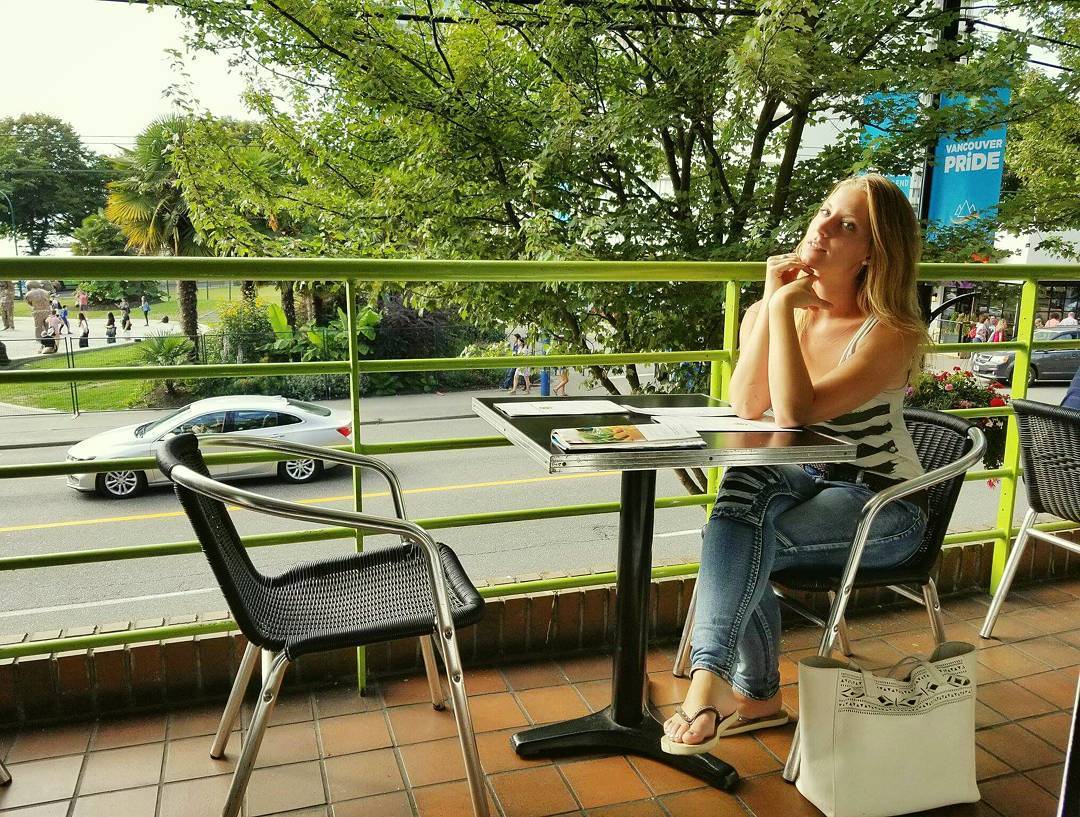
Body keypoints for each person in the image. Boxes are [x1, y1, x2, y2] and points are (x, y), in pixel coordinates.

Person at [662, 174, 929, 755]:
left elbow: (793, 412)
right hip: (805, 478)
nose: (823, 226)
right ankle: (744, 695)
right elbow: (746, 404)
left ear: (872, 253)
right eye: (826, 211)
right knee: (743, 496)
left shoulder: (890, 332)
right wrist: (770, 301)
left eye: (847, 225)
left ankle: (725, 687)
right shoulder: (773, 310)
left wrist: (781, 307)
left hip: (881, 503)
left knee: (739, 538)